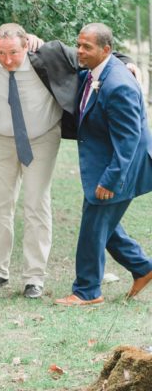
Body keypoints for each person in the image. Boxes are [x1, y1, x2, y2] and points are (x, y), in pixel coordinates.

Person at [0, 24, 71, 299]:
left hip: (41, 137)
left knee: (36, 203)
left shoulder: (50, 54)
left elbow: (92, 54)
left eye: (13, 52)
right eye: (1, 53)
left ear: (26, 45)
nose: (7, 59)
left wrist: (128, 63)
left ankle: (34, 277)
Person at [55, 23, 152, 306]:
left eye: (87, 47)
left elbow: (128, 141)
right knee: (102, 225)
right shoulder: (96, 72)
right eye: (79, 44)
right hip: (111, 162)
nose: (80, 51)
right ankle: (143, 267)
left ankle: (87, 292)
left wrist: (110, 180)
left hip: (123, 167)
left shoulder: (118, 85)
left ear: (106, 50)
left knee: (93, 227)